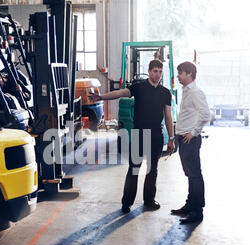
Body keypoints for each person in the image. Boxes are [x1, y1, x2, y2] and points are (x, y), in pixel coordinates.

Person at [89, 59, 175, 213]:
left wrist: (172, 139)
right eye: (155, 71)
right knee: (134, 168)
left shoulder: (165, 93)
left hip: (156, 135)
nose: (158, 74)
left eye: (160, 71)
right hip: (139, 134)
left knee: (152, 170)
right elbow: (120, 93)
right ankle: (126, 202)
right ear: (149, 71)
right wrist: (101, 97)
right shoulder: (139, 87)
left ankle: (149, 200)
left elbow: (168, 117)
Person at [171, 61, 210, 224]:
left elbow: (206, 114)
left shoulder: (195, 92)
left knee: (195, 174)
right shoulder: (186, 91)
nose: (178, 76)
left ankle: (197, 211)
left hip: (190, 140)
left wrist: (193, 133)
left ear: (189, 74)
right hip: (183, 138)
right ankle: (190, 205)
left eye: (180, 73)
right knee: (190, 175)